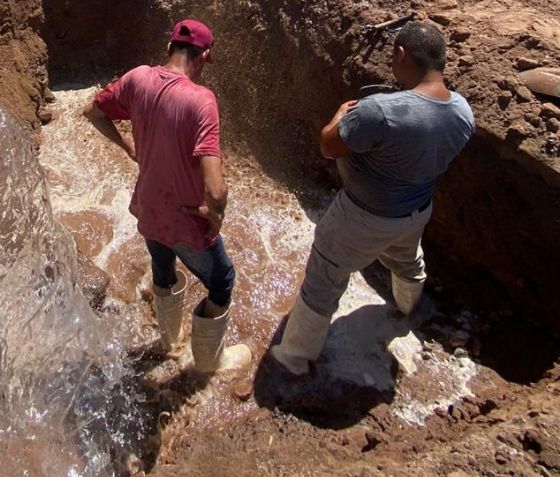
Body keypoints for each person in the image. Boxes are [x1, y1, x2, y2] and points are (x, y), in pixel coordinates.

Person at [270, 22, 476, 376]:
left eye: (393, 57)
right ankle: (407, 310)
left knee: (324, 277)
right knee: (408, 261)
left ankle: (293, 358)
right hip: (416, 211)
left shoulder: (380, 111)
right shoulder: (462, 112)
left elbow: (328, 146)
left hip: (361, 216)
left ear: (401, 54)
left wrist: (338, 117)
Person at [82, 19, 251, 374]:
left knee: (163, 269)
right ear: (205, 55)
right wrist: (216, 214)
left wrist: (128, 146)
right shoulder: (201, 101)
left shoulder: (137, 78)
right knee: (222, 280)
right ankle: (209, 362)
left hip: (149, 209)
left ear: (168, 47)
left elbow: (93, 112)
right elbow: (216, 189)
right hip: (184, 220)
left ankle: (169, 340)